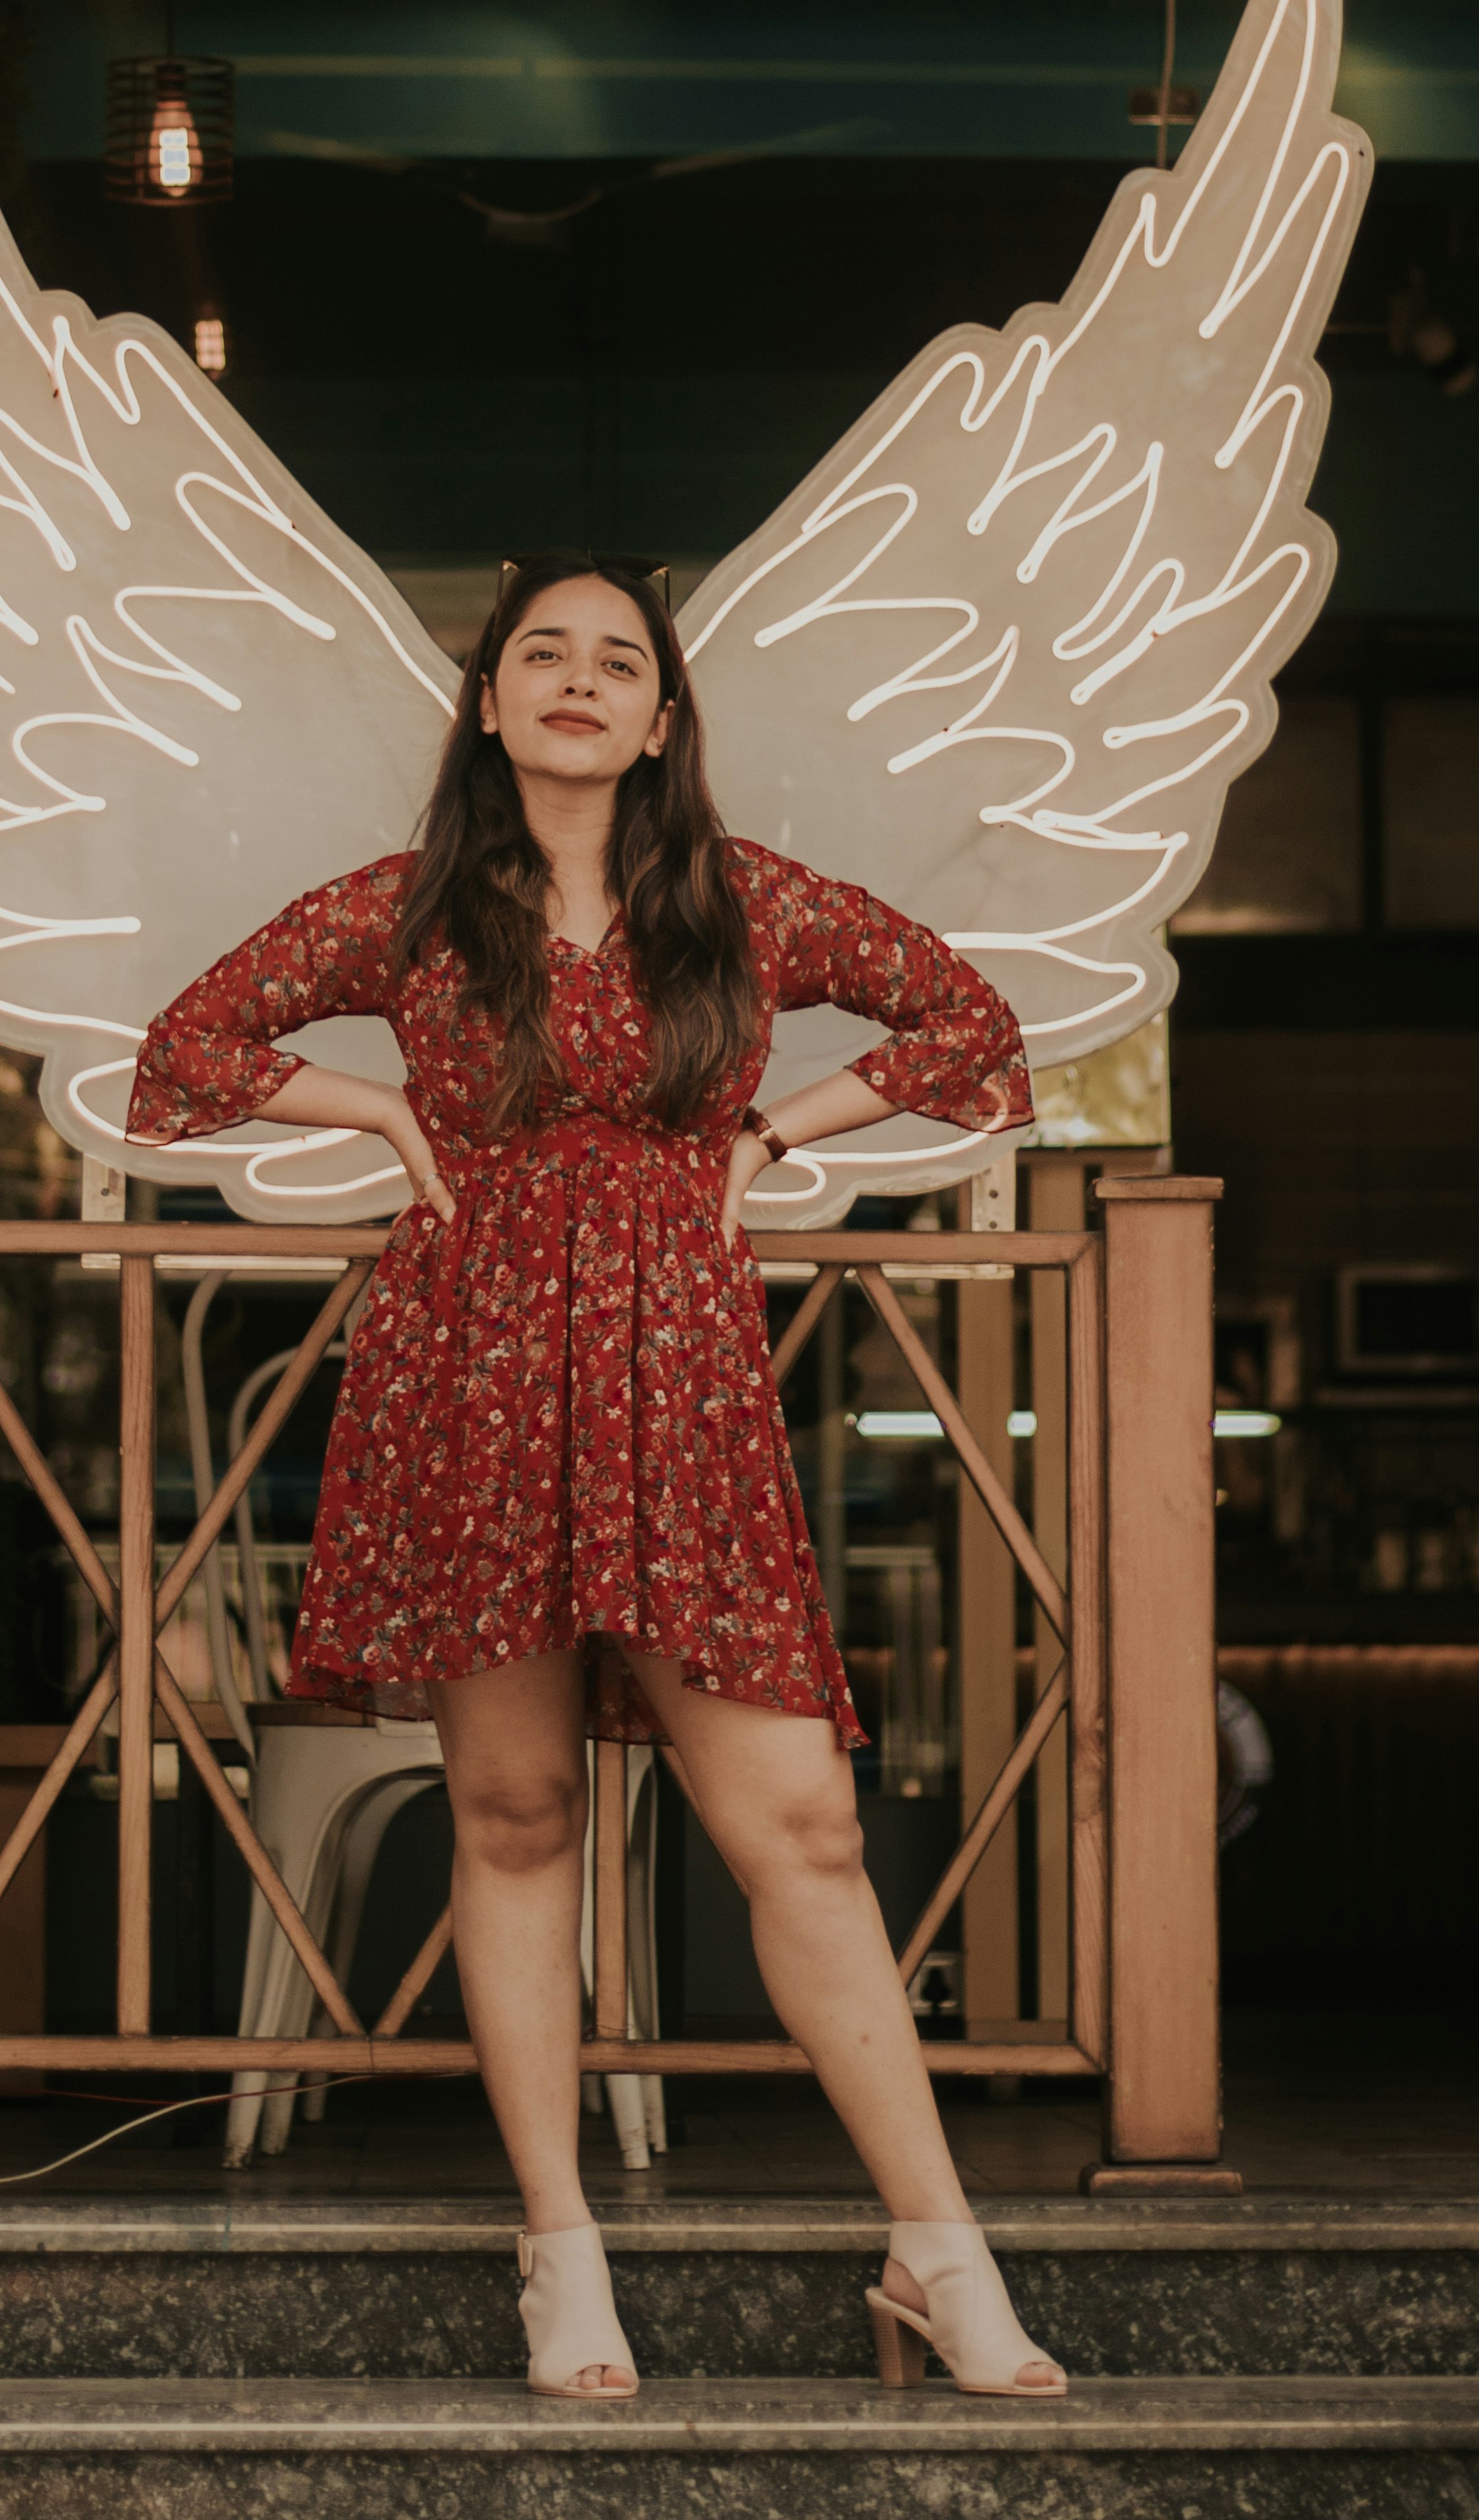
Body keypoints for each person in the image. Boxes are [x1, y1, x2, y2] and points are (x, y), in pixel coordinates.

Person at [127, 552, 1064, 2403]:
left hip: (681, 1392)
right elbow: (187, 1045)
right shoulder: (413, 916)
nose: (576, 679)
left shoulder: (736, 902)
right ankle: (561, 2248)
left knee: (794, 1821)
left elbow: (971, 1031)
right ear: (490, 702)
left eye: (615, 658)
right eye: (540, 653)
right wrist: (382, 1109)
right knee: (518, 1813)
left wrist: (783, 1125)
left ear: (659, 715)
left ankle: (940, 2246)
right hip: (469, 1379)